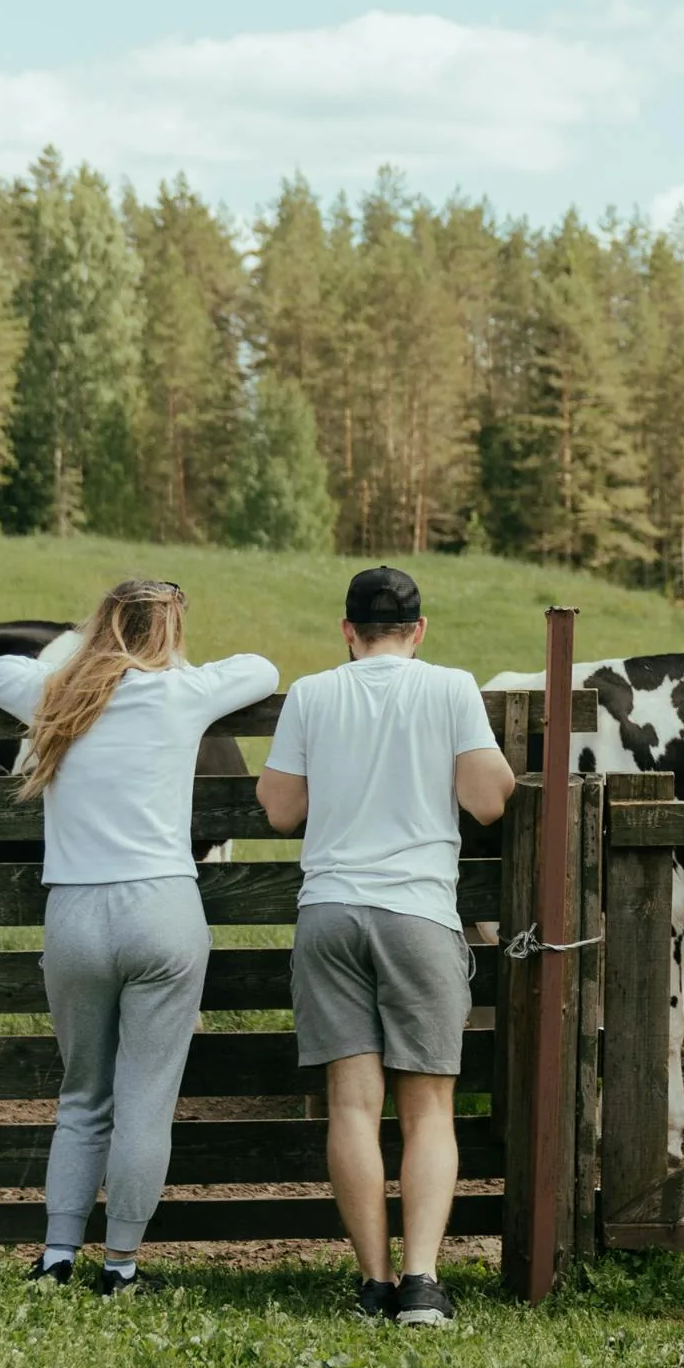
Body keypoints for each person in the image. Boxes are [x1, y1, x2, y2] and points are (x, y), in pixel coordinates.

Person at [0, 580, 279, 1298]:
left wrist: (78, 664)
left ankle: (55, 1256)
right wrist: (175, 662)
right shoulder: (184, 691)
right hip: (162, 909)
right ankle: (120, 1267)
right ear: (170, 628)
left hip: (76, 914)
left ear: (103, 624)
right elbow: (263, 670)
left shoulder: (55, 693)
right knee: (145, 1100)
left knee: (82, 1095)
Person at [256, 566, 512, 1327]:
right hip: (417, 914)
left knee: (351, 1104)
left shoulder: (312, 693)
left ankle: (371, 1283)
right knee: (430, 1108)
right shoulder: (450, 687)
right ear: (419, 630)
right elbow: (488, 799)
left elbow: (277, 809)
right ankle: (422, 1283)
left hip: (329, 911)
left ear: (347, 630)